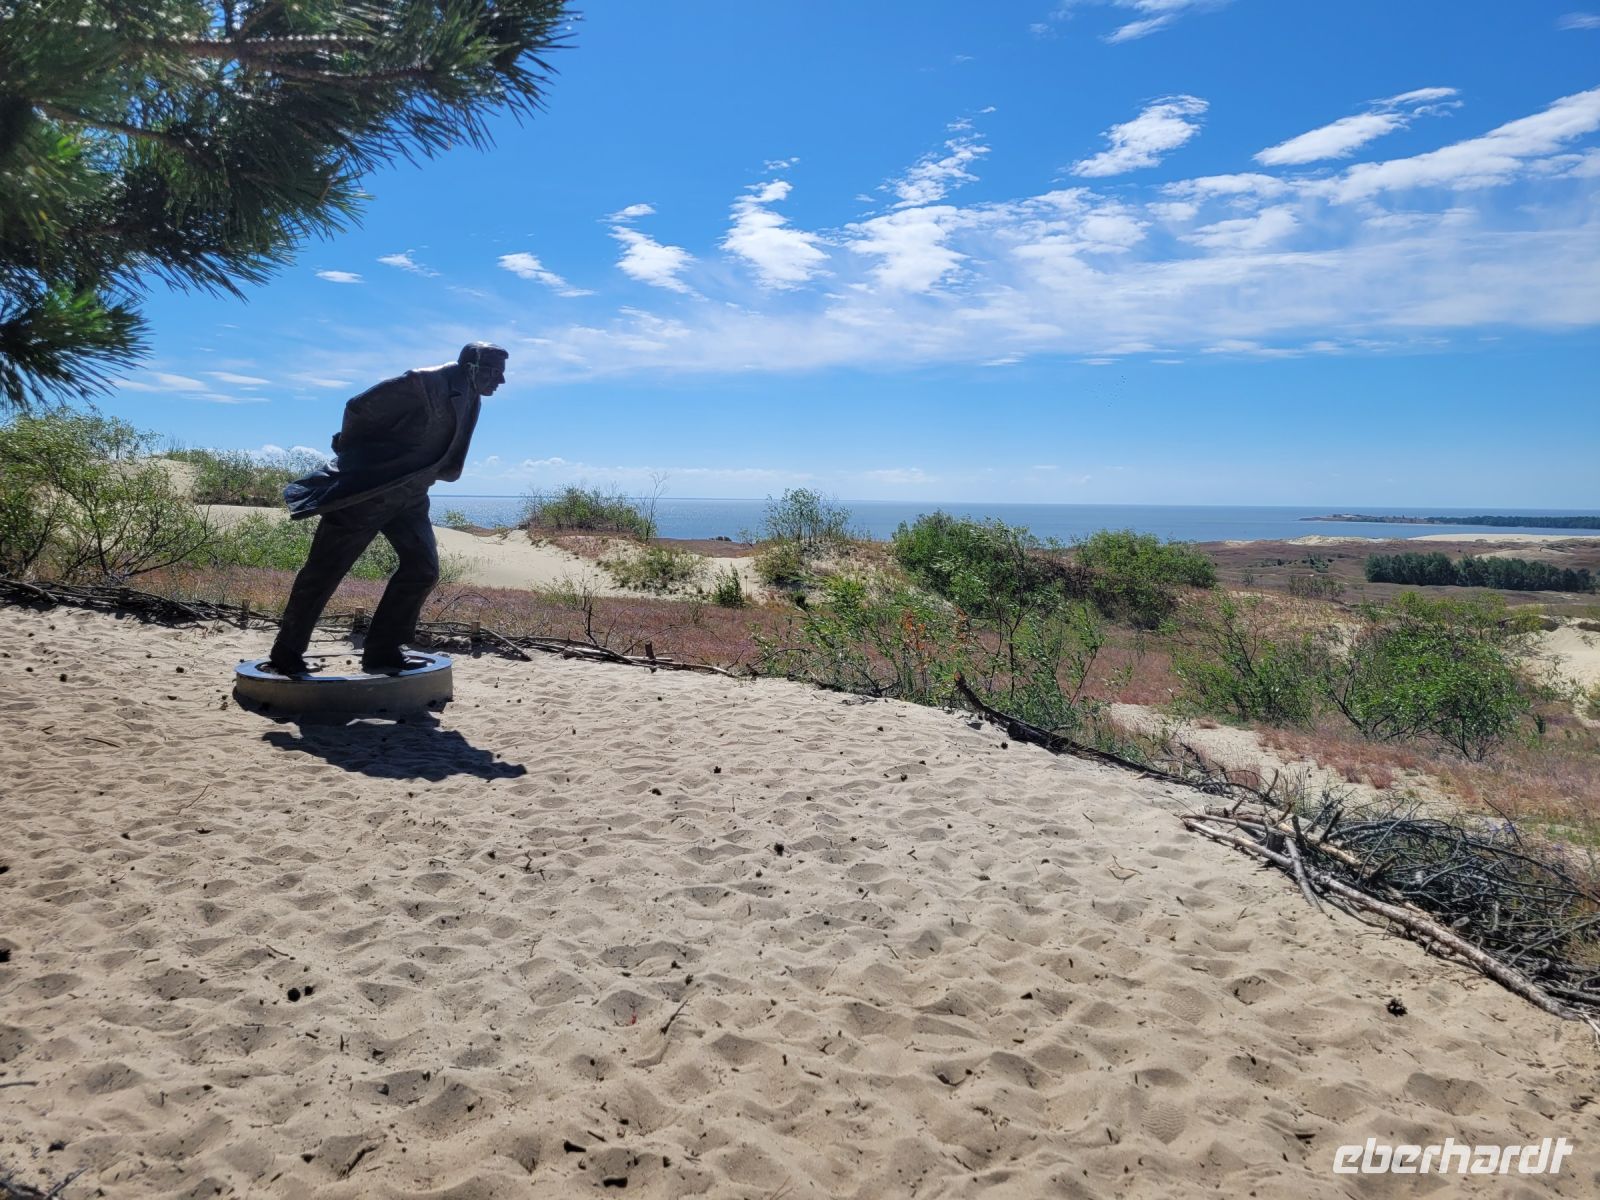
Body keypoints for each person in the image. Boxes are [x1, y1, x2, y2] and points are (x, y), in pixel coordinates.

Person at [265, 342, 508, 676]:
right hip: (370, 491)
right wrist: (360, 458)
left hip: (412, 494)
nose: (502, 381)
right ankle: (287, 650)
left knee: (422, 569)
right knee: (325, 569)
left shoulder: (471, 395)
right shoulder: (424, 382)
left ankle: (382, 650)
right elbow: (359, 408)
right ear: (472, 366)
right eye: (496, 372)